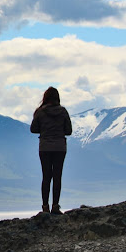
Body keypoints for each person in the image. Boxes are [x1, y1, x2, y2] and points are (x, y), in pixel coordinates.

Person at [30, 87, 72, 215]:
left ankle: (45, 206)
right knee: (57, 176)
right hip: (60, 147)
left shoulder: (40, 112)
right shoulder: (63, 111)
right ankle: (55, 206)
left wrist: (45, 130)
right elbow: (68, 131)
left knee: (46, 176)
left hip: (45, 147)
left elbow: (33, 129)